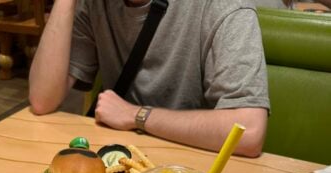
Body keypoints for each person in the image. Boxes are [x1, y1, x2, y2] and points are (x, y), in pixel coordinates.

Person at [29, 1, 271, 158]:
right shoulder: (94, 5)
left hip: (192, 167)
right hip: (116, 161)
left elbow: (249, 132)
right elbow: (42, 100)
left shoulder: (222, 7)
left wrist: (136, 115)